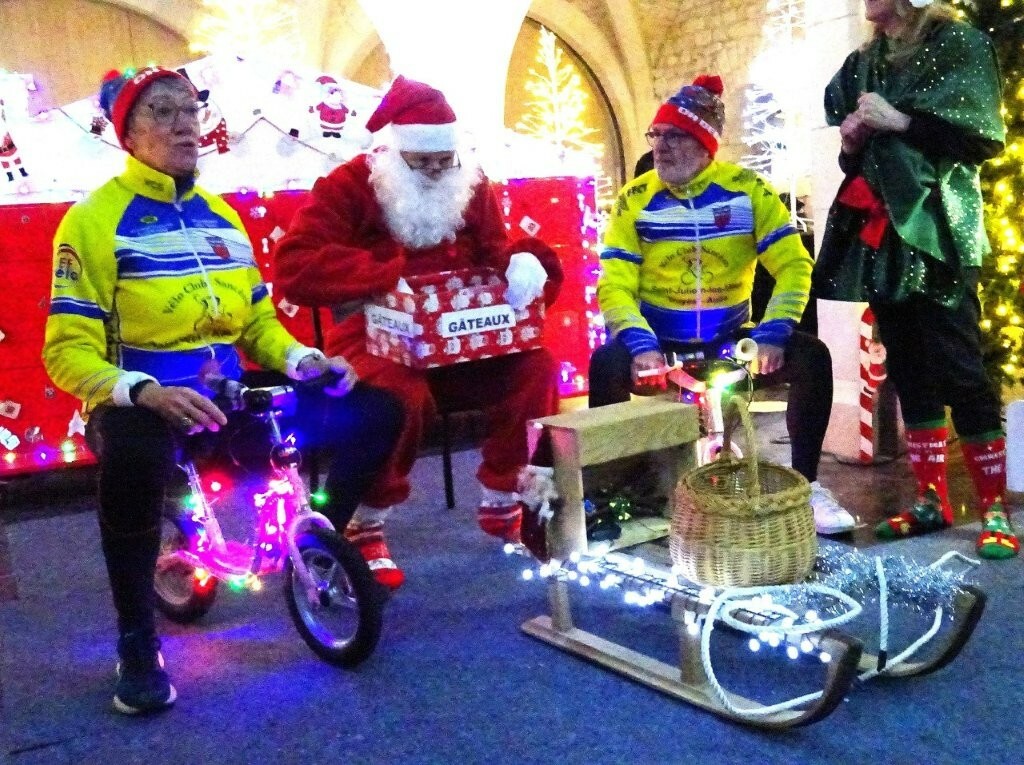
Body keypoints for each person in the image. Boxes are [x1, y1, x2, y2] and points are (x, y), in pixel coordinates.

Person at [42, 67, 403, 715]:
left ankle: (319, 549)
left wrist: (303, 358)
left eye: (190, 109)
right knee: (136, 456)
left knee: (375, 409)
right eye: (162, 112)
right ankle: (137, 638)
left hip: (223, 395)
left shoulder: (222, 216)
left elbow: (257, 325)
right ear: (128, 134)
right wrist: (143, 391)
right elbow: (65, 353)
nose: (185, 124)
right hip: (138, 402)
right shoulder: (92, 222)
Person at [275, 76, 564, 589]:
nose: (435, 171)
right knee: (399, 395)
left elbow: (493, 249)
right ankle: (366, 520)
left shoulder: (469, 183)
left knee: (535, 367)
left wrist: (521, 262)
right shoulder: (349, 185)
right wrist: (386, 274)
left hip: (461, 335)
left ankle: (505, 495)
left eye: (443, 161)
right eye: (422, 162)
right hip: (374, 334)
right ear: (394, 151)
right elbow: (295, 264)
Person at [589, 74, 856, 535]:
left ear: (705, 144)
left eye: (675, 136)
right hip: (659, 345)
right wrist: (638, 344)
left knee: (812, 356)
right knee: (604, 364)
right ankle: (610, 493)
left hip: (731, 340)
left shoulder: (748, 191)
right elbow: (614, 283)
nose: (661, 147)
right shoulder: (636, 199)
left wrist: (773, 333)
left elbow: (794, 265)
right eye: (656, 135)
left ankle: (807, 488)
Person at [814, 0, 1017, 559]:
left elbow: (981, 140)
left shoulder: (958, 43)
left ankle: (994, 509)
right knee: (907, 367)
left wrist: (898, 120)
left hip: (938, 231)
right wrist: (852, 142)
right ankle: (932, 501)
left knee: (961, 367)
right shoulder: (864, 61)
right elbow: (859, 162)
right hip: (882, 237)